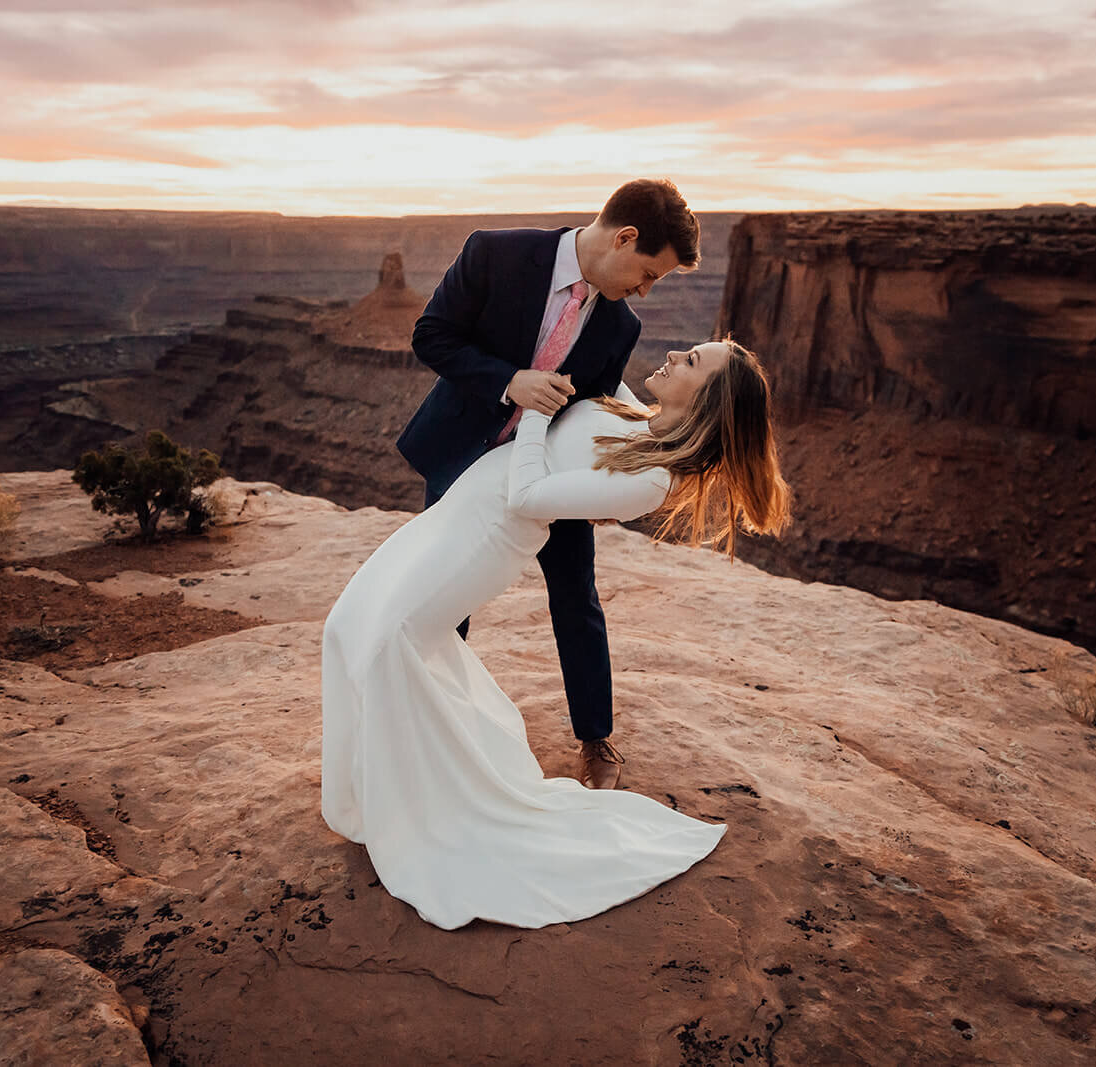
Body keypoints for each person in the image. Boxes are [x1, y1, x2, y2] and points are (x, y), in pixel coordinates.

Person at [321, 337, 791, 930]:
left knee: (393, 644)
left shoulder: (652, 477)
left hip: (483, 538)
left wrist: (538, 412)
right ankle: (389, 792)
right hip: (458, 516)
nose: (672, 357)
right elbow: (600, 349)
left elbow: (527, 498)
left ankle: (416, 805)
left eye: (691, 363)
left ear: (708, 401)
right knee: (350, 626)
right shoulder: (633, 412)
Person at [396, 178, 699, 790]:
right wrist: (511, 380)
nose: (644, 290)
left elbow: (601, 402)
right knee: (446, 590)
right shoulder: (495, 253)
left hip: (547, 474)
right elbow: (431, 335)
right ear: (625, 237)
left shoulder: (621, 327)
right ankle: (440, 717)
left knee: (575, 594)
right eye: (648, 274)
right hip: (465, 457)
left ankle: (595, 740)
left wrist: (618, 476)